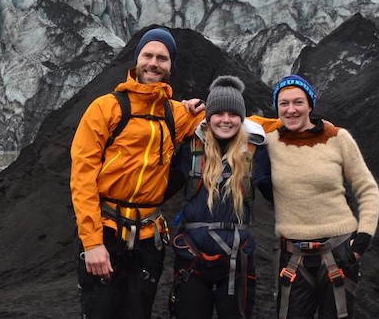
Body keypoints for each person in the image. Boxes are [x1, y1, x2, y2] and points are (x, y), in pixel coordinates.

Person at [70, 27, 205, 319]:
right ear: (137, 59)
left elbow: (231, 122)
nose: (154, 63)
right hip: (105, 232)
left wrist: (296, 125)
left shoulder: (175, 114)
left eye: (162, 58)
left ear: (171, 66)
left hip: (148, 238)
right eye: (148, 55)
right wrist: (92, 244)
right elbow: (82, 179)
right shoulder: (105, 109)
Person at [252, 74, 379, 319]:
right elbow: (228, 120)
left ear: (310, 105)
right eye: (284, 103)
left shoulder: (337, 138)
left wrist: (362, 239)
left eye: (298, 102)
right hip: (292, 257)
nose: (291, 110)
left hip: (338, 252)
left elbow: (367, 188)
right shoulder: (269, 142)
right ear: (276, 109)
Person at [168, 76, 267, 319]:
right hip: (191, 257)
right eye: (218, 113)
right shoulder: (192, 148)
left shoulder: (255, 152)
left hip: (237, 261)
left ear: (242, 118)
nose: (225, 120)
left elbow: (276, 190)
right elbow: (161, 186)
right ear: (208, 116)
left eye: (233, 114)